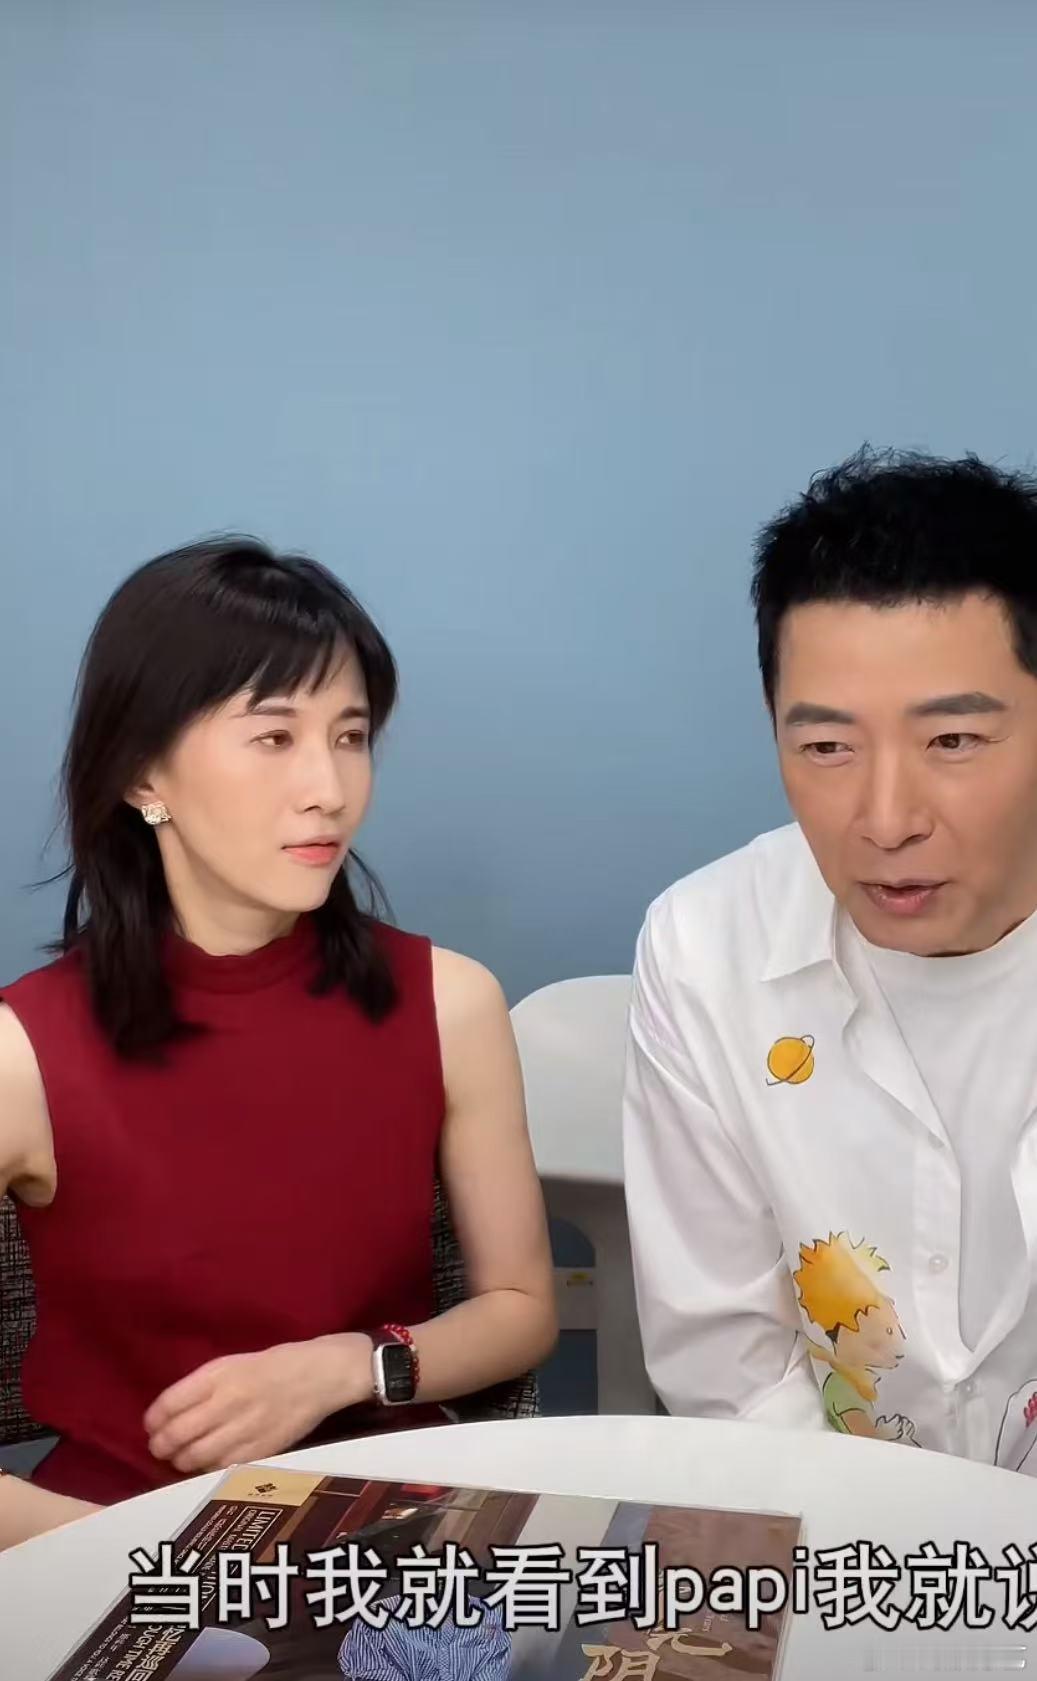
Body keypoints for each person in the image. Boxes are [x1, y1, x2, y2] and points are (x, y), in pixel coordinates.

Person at [0, 538, 557, 1546]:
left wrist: (347, 1365)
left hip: (387, 1519)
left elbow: (519, 1306)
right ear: (141, 772)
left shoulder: (450, 1002)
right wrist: (94, 1548)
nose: (328, 788)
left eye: (350, 736)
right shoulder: (22, 1052)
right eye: (273, 736)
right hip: (114, 1538)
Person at [623, 448, 1037, 1469]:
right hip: (832, 1529)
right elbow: (727, 1366)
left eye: (952, 741)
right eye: (824, 748)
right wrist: (883, 1544)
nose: (885, 820)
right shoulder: (702, 946)